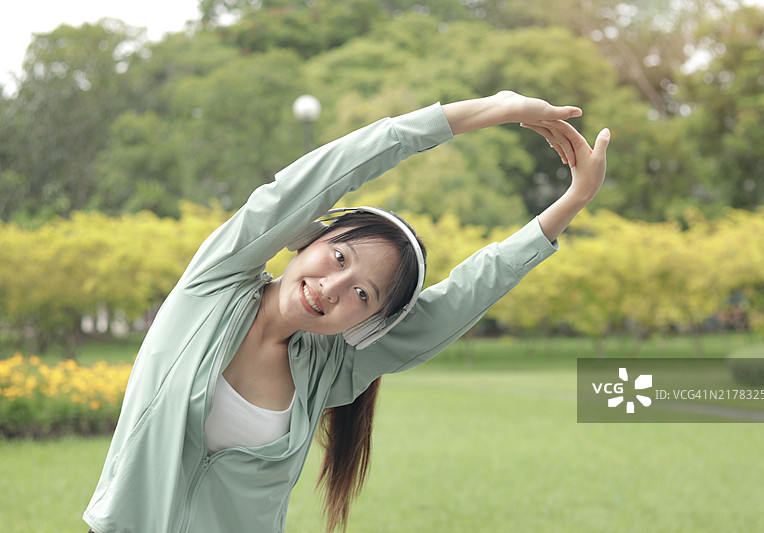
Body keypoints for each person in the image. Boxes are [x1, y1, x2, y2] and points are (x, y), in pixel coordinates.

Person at [84, 90, 610, 533]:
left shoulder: (332, 368)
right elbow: (342, 163)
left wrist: (573, 200)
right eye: (339, 257)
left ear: (369, 322)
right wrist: (490, 109)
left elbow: (465, 294)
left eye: (363, 295)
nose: (332, 288)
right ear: (310, 236)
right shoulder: (216, 283)